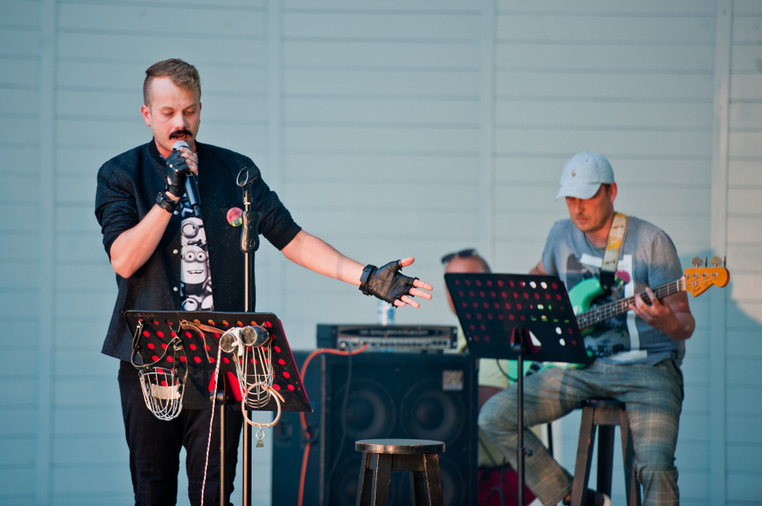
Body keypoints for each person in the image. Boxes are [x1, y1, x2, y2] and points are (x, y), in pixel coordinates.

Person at [94, 58, 433, 506]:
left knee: (214, 494)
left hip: (218, 360)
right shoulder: (121, 173)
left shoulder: (236, 172)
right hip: (152, 363)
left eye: (190, 111)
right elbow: (124, 259)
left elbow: (291, 239)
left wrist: (367, 277)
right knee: (152, 493)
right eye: (168, 113)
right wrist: (169, 193)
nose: (181, 124)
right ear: (146, 114)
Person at [479, 151, 694, 506]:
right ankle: (573, 497)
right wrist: (532, 316)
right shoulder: (560, 235)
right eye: (570, 198)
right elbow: (538, 279)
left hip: (648, 366)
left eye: (587, 196)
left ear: (612, 192)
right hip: (579, 366)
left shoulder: (651, 241)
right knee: (495, 417)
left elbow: (685, 323)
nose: (577, 208)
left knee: (655, 467)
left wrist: (664, 320)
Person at [442, 249, 537, 506]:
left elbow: (486, 405)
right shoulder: (462, 332)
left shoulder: (496, 328)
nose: (457, 291)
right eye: (450, 284)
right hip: (475, 471)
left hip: (502, 476)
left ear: (489, 286)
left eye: (466, 282)